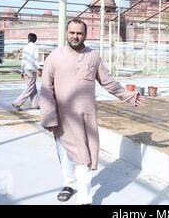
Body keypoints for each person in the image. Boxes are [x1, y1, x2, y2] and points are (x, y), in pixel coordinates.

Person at [40, 18, 145, 205]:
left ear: (86, 35)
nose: (75, 36)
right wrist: (49, 118)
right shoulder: (54, 57)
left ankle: (85, 199)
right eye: (72, 32)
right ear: (66, 33)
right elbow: (46, 89)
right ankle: (69, 184)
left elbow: (108, 82)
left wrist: (128, 96)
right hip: (62, 117)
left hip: (87, 116)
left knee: (85, 157)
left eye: (79, 33)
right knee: (65, 155)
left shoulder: (94, 56)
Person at [12, 33, 41, 111]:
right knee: (30, 87)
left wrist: (22, 70)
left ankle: (36, 104)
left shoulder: (25, 48)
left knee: (33, 87)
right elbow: (35, 59)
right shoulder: (35, 47)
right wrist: (39, 68)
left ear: (28, 39)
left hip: (26, 69)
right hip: (32, 70)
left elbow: (23, 60)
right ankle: (17, 103)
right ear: (35, 40)